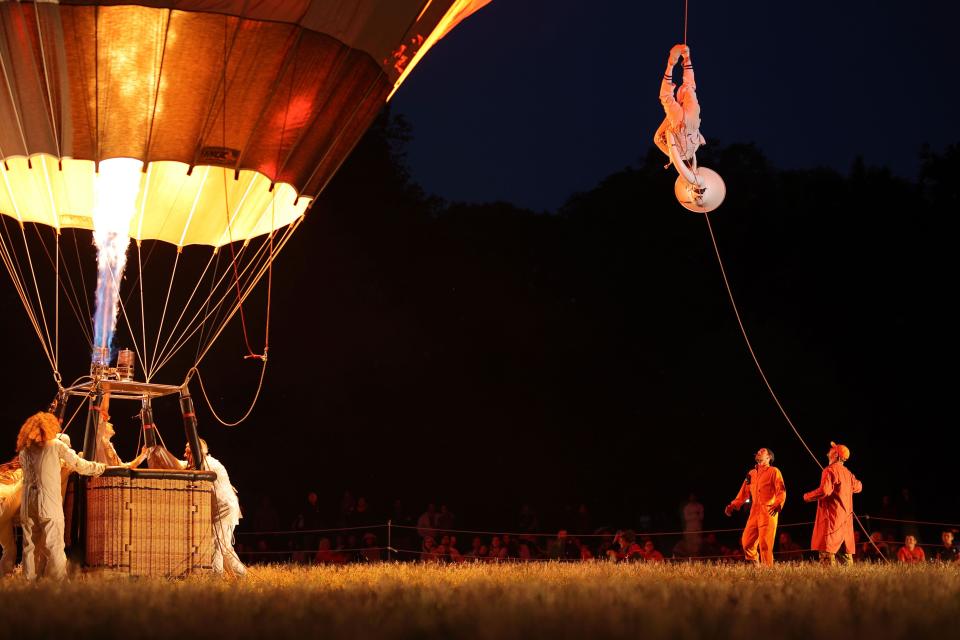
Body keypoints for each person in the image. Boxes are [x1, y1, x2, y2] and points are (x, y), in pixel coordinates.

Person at [17, 412, 106, 579]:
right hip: (49, 504)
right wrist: (99, 468)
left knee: (29, 547)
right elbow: (79, 465)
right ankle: (59, 583)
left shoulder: (25, 449)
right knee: (55, 545)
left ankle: (27, 582)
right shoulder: (56, 445)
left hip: (28, 505)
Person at [182, 439, 246, 577]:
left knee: (217, 544)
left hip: (224, 508)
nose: (184, 455)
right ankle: (241, 575)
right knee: (224, 547)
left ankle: (216, 578)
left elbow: (181, 466)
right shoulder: (203, 463)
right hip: (223, 508)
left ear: (196, 452)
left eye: (187, 452)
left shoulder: (208, 464)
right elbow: (181, 465)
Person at [803, 442, 863, 566]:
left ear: (836, 455)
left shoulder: (829, 470)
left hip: (831, 518)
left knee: (827, 552)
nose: (828, 452)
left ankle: (829, 583)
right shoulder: (848, 473)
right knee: (845, 557)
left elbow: (825, 490)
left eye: (831, 450)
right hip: (845, 521)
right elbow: (859, 486)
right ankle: (851, 582)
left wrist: (807, 496)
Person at [724, 447, 787, 566]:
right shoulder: (751, 473)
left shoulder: (774, 471)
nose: (758, 453)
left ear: (769, 458)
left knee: (765, 544)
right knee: (746, 541)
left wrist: (778, 503)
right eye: (757, 452)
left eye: (761, 452)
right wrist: (732, 505)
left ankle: (767, 571)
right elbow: (743, 492)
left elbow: (781, 489)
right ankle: (754, 564)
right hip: (754, 512)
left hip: (769, 511)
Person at [654, 44, 705, 164]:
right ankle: (670, 66)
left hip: (693, 122)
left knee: (689, 87)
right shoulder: (678, 155)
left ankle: (686, 57)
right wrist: (671, 158)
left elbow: (698, 136)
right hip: (680, 124)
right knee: (666, 97)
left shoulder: (695, 148)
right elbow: (657, 139)